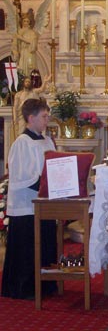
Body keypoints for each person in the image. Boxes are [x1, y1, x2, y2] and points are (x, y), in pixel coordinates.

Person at [1, 98, 57, 300]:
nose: (47, 119)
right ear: (31, 118)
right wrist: (47, 184)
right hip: (27, 206)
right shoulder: (21, 143)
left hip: (45, 202)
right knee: (27, 249)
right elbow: (21, 177)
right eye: (44, 116)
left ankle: (46, 285)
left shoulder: (47, 140)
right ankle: (23, 287)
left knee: (46, 244)